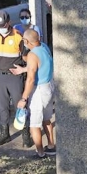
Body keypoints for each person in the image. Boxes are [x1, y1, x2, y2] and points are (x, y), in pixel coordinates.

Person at [12, 29, 56, 159]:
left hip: (39, 90)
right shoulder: (44, 47)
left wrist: (24, 98)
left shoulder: (32, 55)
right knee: (47, 118)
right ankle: (51, 146)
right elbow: (39, 66)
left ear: (26, 41)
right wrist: (23, 69)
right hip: (49, 86)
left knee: (34, 124)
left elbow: (30, 79)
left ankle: (40, 152)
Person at [0, 10, 25, 146]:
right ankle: (5, 134)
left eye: (4, 26)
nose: (1, 29)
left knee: (20, 106)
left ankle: (26, 134)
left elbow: (25, 56)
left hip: (14, 77)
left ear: (9, 23)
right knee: (2, 107)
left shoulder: (18, 36)